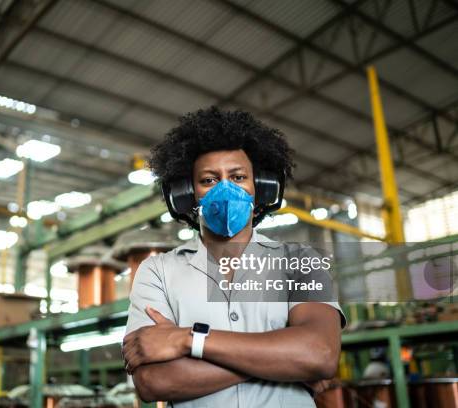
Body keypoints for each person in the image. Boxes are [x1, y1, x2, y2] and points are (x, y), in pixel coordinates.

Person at [121, 107, 346, 407]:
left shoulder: (301, 261)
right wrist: (283, 361)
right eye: (209, 180)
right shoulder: (157, 272)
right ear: (186, 193)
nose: (226, 189)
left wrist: (187, 340)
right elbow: (152, 383)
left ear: (262, 187)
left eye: (238, 177)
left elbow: (319, 354)